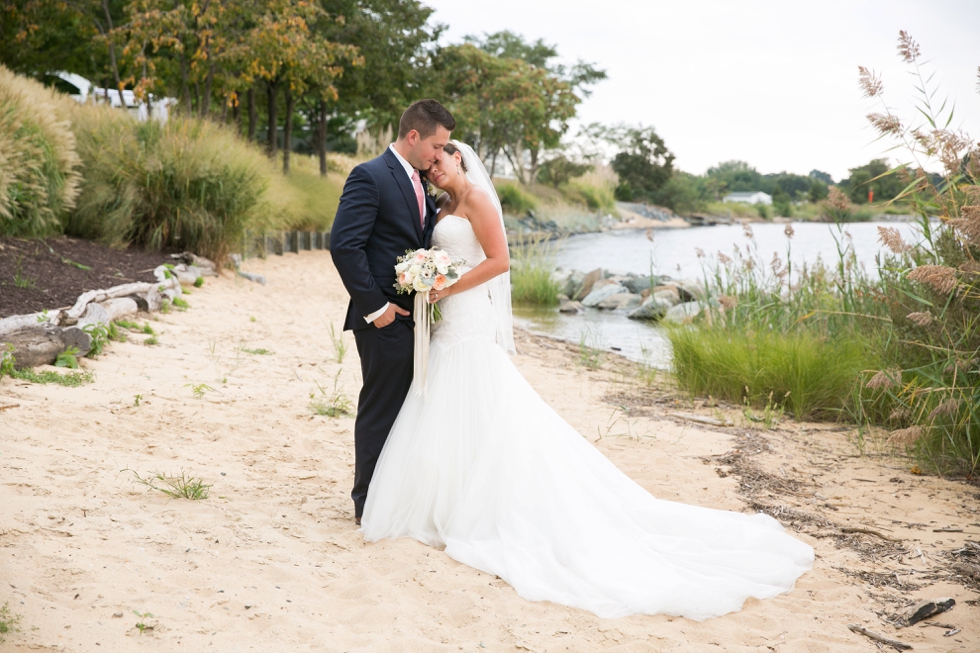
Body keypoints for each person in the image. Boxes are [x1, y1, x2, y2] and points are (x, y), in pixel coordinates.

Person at [359, 140, 814, 620]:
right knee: (447, 405)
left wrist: (448, 285)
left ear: (459, 159)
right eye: (429, 165)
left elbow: (499, 261)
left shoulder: (478, 201)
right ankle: (447, 502)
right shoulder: (441, 205)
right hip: (448, 316)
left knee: (479, 396)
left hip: (468, 314)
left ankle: (481, 506)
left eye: (439, 161)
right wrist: (429, 279)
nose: (433, 169)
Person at [330, 99, 454, 525]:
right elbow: (345, 246)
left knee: (406, 410)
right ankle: (367, 503)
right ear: (414, 136)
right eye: (437, 146)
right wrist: (376, 308)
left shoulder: (422, 182)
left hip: (414, 318)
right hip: (383, 317)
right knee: (381, 409)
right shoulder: (370, 175)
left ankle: (394, 496)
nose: (440, 155)